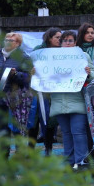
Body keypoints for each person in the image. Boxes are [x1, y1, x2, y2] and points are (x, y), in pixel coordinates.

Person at [0, 32, 33, 155]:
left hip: (16, 100)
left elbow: (29, 78)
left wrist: (17, 75)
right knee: (2, 130)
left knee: (17, 130)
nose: (7, 42)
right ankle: (3, 158)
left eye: (10, 40)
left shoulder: (24, 57)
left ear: (18, 44)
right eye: (6, 39)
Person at [50, 31, 93, 165]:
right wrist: (36, 73)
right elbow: (45, 75)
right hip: (59, 102)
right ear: (60, 43)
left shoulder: (83, 56)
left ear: (75, 43)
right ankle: (69, 163)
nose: (67, 43)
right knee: (66, 134)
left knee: (78, 133)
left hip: (77, 102)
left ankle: (81, 163)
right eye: (64, 40)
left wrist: (88, 74)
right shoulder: (52, 57)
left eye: (70, 41)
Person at [31, 27, 62, 155]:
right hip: (38, 91)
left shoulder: (62, 52)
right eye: (57, 37)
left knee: (50, 121)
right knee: (35, 120)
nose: (60, 40)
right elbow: (30, 64)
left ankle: (48, 149)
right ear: (50, 38)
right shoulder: (38, 50)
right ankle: (30, 150)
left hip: (53, 91)